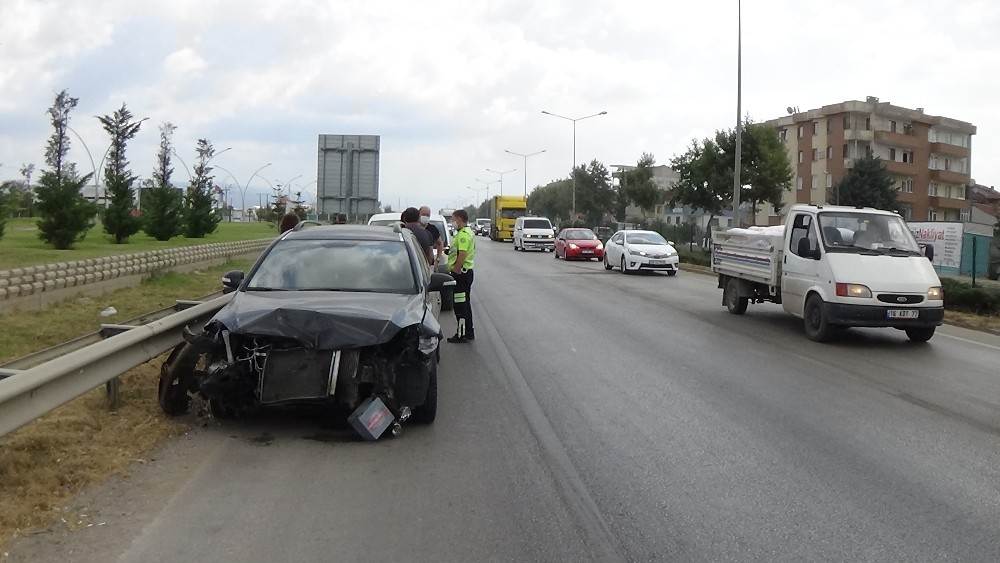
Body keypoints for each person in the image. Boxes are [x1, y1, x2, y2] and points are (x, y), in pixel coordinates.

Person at [447, 209, 476, 343]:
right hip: (465, 273)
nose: (452, 222)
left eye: (453, 219)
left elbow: (462, 254)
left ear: (459, 219)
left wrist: (456, 270)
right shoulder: (464, 232)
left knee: (460, 305)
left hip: (461, 274)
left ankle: (462, 334)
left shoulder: (463, 234)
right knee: (465, 304)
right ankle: (468, 332)